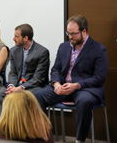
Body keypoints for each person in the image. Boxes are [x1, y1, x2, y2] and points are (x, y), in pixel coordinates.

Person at [34, 15, 108, 143]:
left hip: (84, 88)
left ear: (84, 32)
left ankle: (80, 140)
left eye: (74, 34)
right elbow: (55, 69)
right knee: (37, 96)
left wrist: (76, 85)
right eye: (68, 33)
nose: (70, 36)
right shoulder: (64, 47)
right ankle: (43, 136)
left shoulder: (99, 50)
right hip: (63, 86)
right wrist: (56, 83)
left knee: (85, 102)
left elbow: (99, 78)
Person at [0, 24, 50, 133]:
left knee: (25, 97)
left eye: (16, 36)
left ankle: (25, 132)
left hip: (33, 87)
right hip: (16, 85)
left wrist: (21, 87)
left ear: (25, 38)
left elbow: (38, 78)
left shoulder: (42, 52)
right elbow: (12, 73)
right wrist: (12, 85)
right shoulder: (14, 50)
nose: (13, 38)